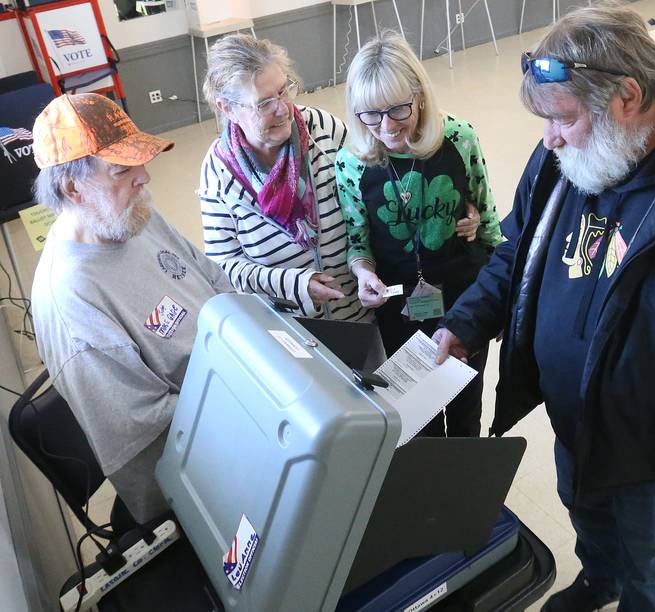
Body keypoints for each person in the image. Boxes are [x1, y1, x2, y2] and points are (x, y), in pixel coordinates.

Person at [433, 6, 655, 611]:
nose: (548, 138)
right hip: (575, 423)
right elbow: (516, 251)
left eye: (563, 119)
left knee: (653, 571)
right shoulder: (569, 155)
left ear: (628, 96)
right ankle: (596, 581)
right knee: (590, 524)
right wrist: (466, 322)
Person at [30, 93, 234, 524]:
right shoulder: (72, 302)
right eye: (122, 170)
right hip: (196, 471)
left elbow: (214, 279)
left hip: (232, 389)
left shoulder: (131, 216)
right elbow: (152, 437)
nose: (145, 177)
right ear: (73, 189)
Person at [336, 32, 502, 437]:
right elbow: (357, 239)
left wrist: (501, 302)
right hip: (400, 309)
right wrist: (362, 274)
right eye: (370, 115)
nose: (386, 126)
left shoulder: (459, 138)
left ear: (420, 96)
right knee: (418, 419)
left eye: (397, 110)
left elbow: (491, 222)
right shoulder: (351, 163)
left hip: (464, 298)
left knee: (465, 412)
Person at [201, 34, 401, 322]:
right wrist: (295, 285)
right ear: (227, 108)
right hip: (294, 330)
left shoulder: (323, 129)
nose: (283, 109)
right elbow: (224, 266)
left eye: (283, 91)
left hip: (362, 311)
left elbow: (382, 184)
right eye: (264, 103)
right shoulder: (217, 174)